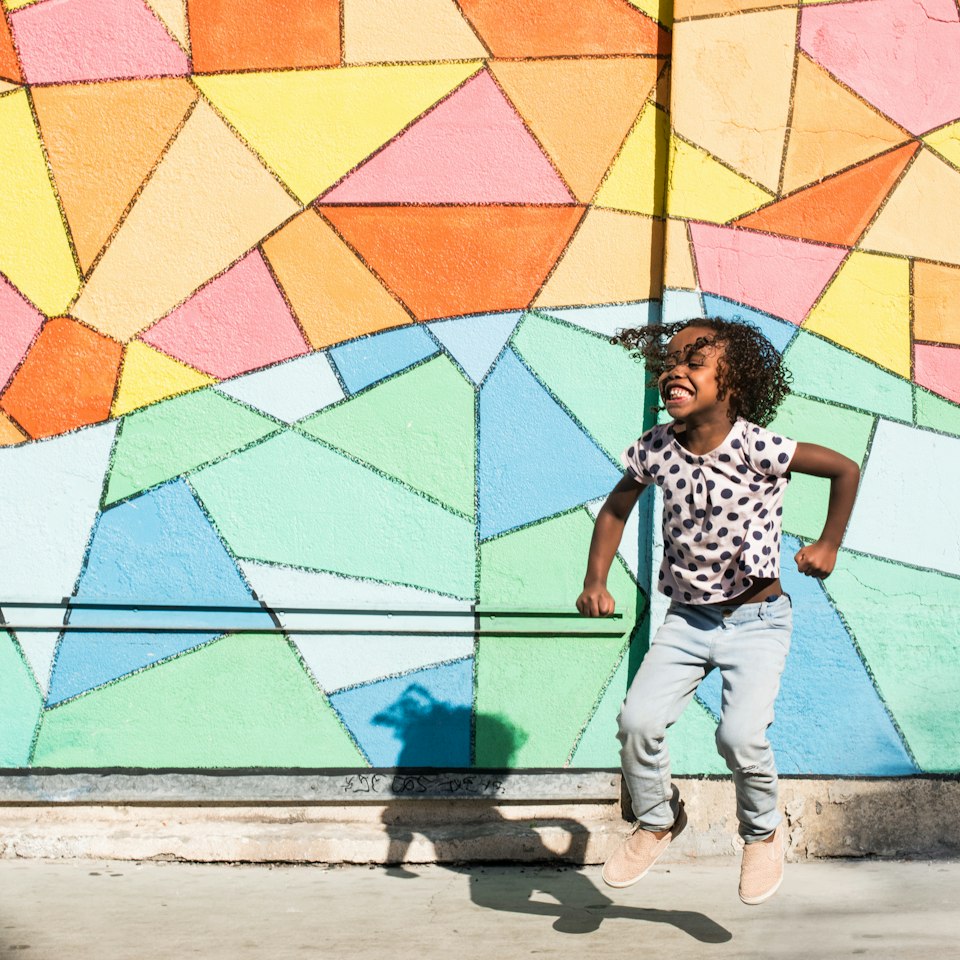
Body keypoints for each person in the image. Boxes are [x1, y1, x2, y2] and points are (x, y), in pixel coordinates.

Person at [576, 318, 860, 905]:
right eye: (670, 361)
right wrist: (595, 579)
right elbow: (613, 511)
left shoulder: (758, 445)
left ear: (732, 383)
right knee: (637, 723)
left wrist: (828, 543)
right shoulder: (654, 448)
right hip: (685, 622)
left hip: (756, 621)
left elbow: (843, 469)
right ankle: (657, 819)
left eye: (694, 361)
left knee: (739, 736)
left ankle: (761, 834)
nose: (675, 369)